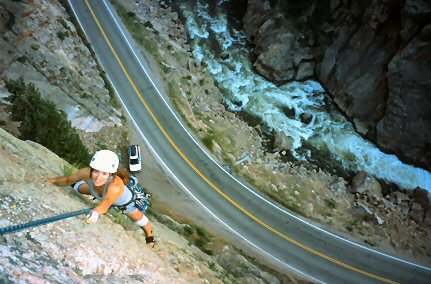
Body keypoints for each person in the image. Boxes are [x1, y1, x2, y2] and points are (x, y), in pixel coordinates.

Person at [48, 150, 155, 246]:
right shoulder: (86, 173)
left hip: (124, 202)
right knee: (78, 187)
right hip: (98, 192)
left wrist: (95, 212)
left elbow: (106, 203)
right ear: (91, 169)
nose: (98, 177)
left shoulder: (115, 186)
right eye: (96, 171)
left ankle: (150, 238)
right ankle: (85, 188)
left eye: (104, 173)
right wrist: (51, 181)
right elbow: (67, 180)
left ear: (111, 174)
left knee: (139, 220)